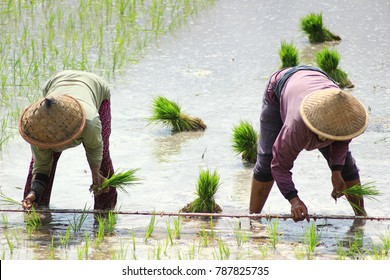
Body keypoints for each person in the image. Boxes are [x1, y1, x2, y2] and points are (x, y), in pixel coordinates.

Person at [250, 65, 369, 222]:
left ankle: (361, 218)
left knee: (346, 165)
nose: (333, 137)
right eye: (329, 134)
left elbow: (342, 144)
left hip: (319, 81)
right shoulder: (297, 127)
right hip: (280, 88)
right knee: (266, 161)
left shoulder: (345, 117)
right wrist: (294, 200)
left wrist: (336, 171)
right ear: (318, 129)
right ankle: (252, 219)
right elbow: (279, 165)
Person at [18, 70, 117, 210]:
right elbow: (41, 166)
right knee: (39, 161)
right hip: (56, 82)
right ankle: (35, 206)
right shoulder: (36, 130)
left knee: (102, 159)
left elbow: (95, 149)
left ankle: (105, 211)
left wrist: (96, 174)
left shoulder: (90, 122)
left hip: (95, 86)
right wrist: (34, 192)